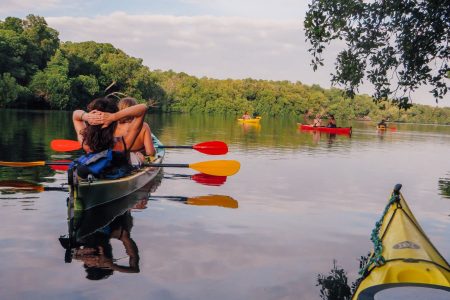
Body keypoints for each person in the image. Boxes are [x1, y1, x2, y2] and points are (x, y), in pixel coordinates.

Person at [72, 97, 148, 155]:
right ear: (114, 123)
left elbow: (76, 115)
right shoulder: (122, 145)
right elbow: (143, 108)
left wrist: (86, 116)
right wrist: (113, 117)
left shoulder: (85, 143)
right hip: (117, 171)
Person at [115, 97, 156, 166]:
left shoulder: (112, 126)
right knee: (153, 155)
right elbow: (150, 153)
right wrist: (146, 159)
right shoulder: (144, 126)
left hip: (117, 159)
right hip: (135, 160)